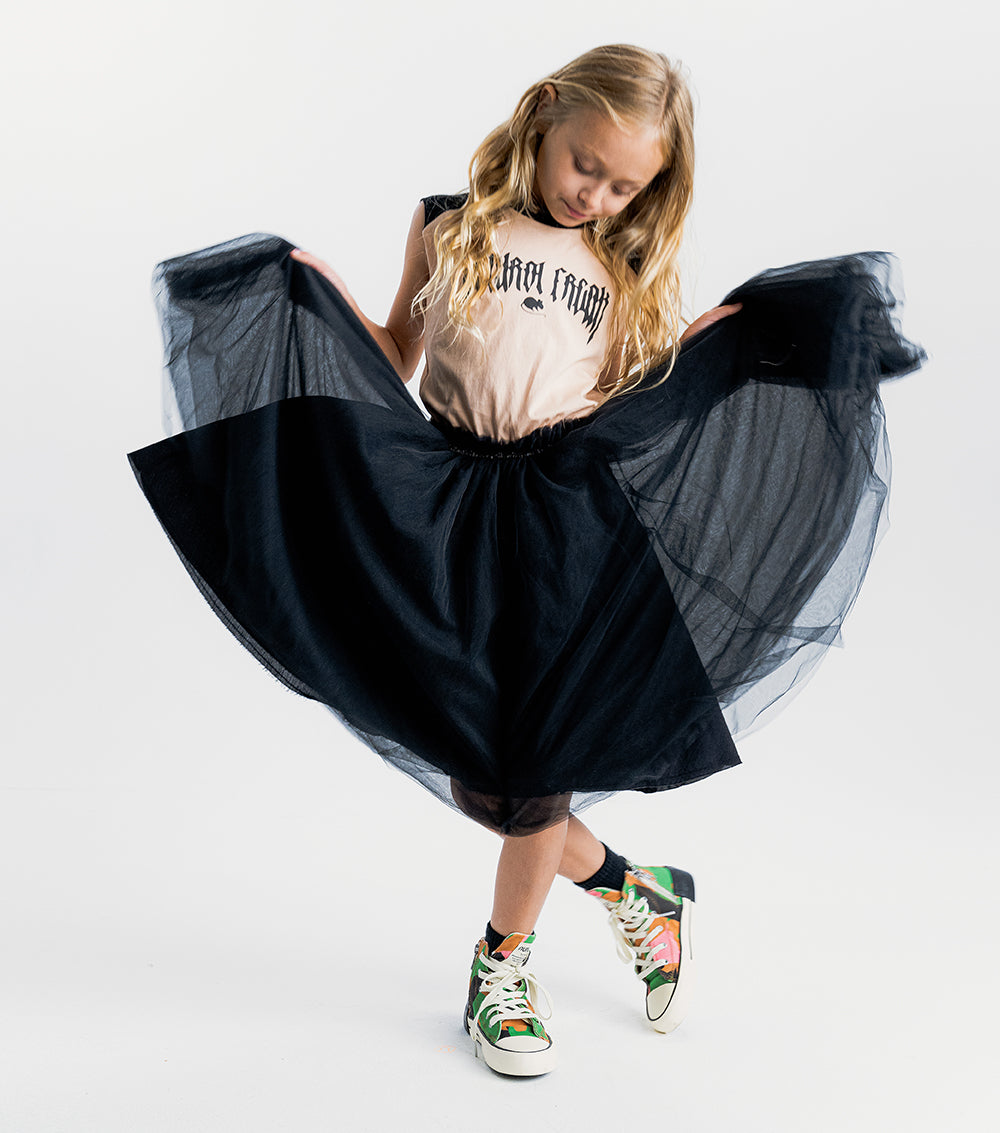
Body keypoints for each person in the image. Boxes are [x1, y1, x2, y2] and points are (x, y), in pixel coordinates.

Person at [128, 45, 924, 1078]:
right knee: (484, 779)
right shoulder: (447, 226)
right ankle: (637, 891)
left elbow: (634, 396)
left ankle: (500, 966)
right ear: (545, 114)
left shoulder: (619, 269)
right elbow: (395, 355)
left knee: (540, 768)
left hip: (566, 521)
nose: (596, 195)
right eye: (586, 165)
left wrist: (715, 342)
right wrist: (322, 297)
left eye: (624, 186)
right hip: (448, 507)